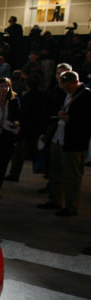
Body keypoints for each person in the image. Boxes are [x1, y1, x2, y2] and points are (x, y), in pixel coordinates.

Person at [38, 71, 91, 216]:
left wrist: (68, 118)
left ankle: (71, 205)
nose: (66, 89)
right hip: (58, 137)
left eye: (68, 87)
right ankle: (55, 199)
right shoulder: (64, 94)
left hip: (73, 141)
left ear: (75, 82)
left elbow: (85, 121)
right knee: (55, 171)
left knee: (71, 175)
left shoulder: (86, 96)